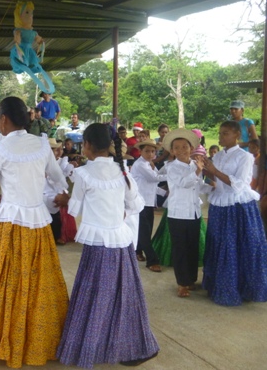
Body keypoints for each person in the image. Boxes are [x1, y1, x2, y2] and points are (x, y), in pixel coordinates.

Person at [0, 96, 69, 368]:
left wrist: (0, 196)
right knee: (39, 278)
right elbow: (59, 180)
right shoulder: (42, 144)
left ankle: (5, 339)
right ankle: (39, 338)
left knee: (7, 278)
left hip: (10, 222)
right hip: (38, 221)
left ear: (4, 119)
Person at [55, 123, 158, 368]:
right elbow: (136, 205)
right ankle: (134, 346)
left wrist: (64, 199)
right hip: (121, 244)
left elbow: (74, 209)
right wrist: (119, 212)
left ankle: (92, 348)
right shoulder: (123, 171)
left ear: (87, 145)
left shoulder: (83, 173)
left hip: (98, 244)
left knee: (95, 297)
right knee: (124, 296)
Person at [202, 120, 267, 306]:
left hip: (237, 206)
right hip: (219, 203)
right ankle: (220, 285)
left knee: (235, 245)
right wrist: (205, 169)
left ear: (237, 135)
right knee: (219, 243)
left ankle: (241, 287)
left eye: (225, 133)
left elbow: (239, 184)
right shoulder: (218, 155)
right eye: (220, 133)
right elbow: (215, 179)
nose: (221, 137)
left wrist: (214, 170)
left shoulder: (244, 157)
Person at [162, 129, 212, 298]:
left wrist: (213, 188)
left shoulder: (194, 165)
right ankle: (182, 283)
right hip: (178, 214)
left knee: (192, 247)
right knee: (180, 249)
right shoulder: (171, 167)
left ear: (191, 148)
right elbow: (184, 183)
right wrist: (198, 171)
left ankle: (191, 279)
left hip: (194, 213)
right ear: (172, 151)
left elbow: (198, 186)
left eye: (185, 146)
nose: (182, 150)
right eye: (177, 147)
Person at [130, 139, 167, 272]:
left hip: (149, 202)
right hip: (141, 202)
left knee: (146, 229)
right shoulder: (140, 164)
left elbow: (153, 183)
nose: (150, 154)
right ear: (140, 151)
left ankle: (138, 251)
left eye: (153, 151)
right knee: (145, 232)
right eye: (147, 151)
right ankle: (152, 260)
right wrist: (174, 174)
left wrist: (164, 193)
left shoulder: (149, 164)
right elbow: (155, 178)